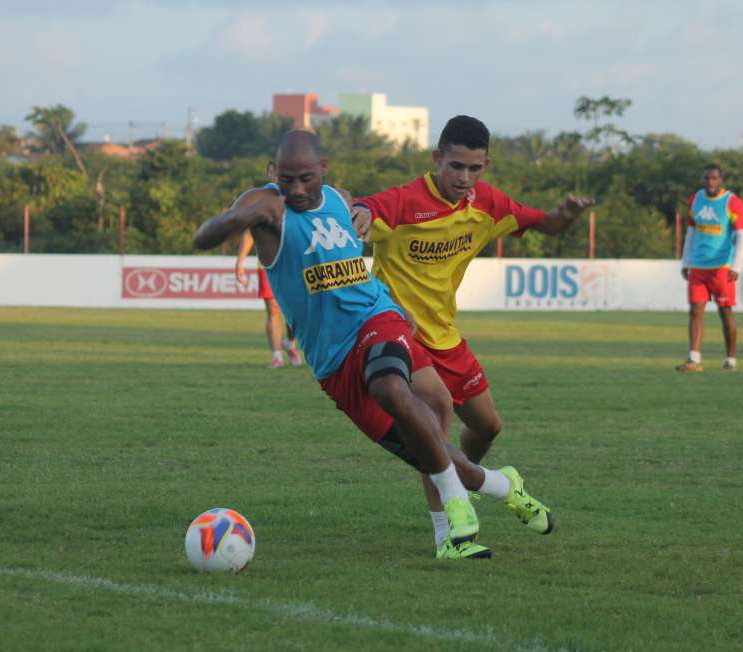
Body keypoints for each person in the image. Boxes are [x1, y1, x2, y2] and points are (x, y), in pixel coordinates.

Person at [194, 130, 551, 560]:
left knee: (397, 392)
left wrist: (398, 305)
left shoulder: (341, 201)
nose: (297, 189)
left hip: (377, 318)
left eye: (306, 178)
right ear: (273, 173)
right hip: (332, 358)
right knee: (422, 446)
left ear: (323, 169)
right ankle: (502, 487)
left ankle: (453, 518)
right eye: (287, 179)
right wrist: (232, 220)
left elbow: (360, 259)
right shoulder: (266, 205)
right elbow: (204, 236)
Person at [352, 115, 592, 550]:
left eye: (474, 168)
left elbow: (545, 223)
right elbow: (368, 209)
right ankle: (450, 534)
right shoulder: (405, 201)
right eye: (456, 166)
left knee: (486, 427)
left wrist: (567, 215)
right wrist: (360, 213)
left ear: (486, 165)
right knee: (435, 417)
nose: (464, 177)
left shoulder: (488, 204)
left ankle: (468, 479)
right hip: (400, 335)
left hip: (445, 336)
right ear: (437, 158)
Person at [676, 163, 743, 372]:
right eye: (707, 178)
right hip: (698, 267)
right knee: (695, 311)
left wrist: (736, 266)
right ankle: (694, 359)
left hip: (722, 268)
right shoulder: (695, 199)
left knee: (725, 312)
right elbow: (691, 232)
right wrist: (686, 261)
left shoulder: (732, 202)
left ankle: (731, 359)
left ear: (721, 180)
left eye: (714, 178)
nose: (710, 182)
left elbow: (742, 235)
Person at [236, 228, 303, 368]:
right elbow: (250, 232)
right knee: (273, 310)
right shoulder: (260, 207)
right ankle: (276, 356)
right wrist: (239, 262)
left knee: (298, 311)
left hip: (294, 263)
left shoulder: (294, 206)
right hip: (268, 263)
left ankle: (289, 343)